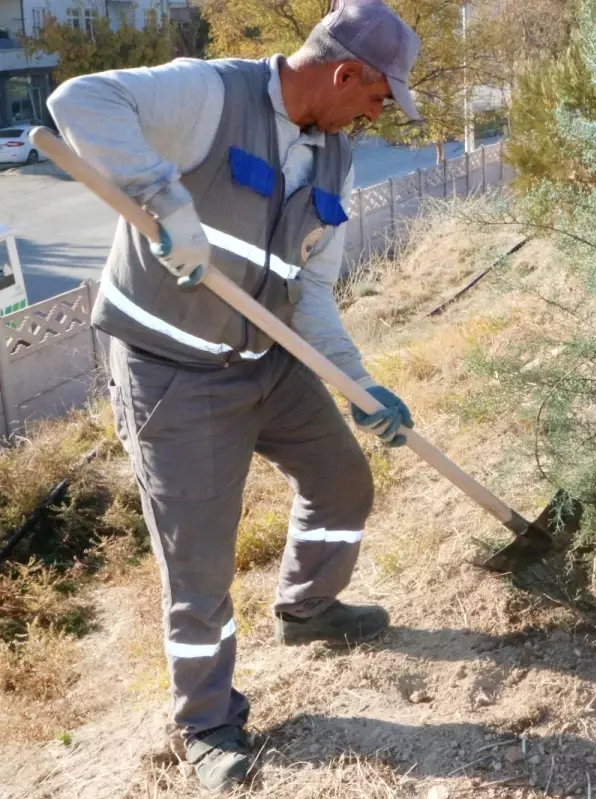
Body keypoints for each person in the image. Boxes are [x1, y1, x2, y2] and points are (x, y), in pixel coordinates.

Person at [47, 0, 421, 790]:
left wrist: (357, 382)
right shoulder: (211, 94)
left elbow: (310, 288)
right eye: (379, 97)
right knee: (199, 559)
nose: (377, 114)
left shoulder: (335, 156)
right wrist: (164, 198)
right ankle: (206, 721)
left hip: (267, 359)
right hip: (172, 370)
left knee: (342, 478)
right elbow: (76, 103)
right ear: (346, 71)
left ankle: (309, 609)